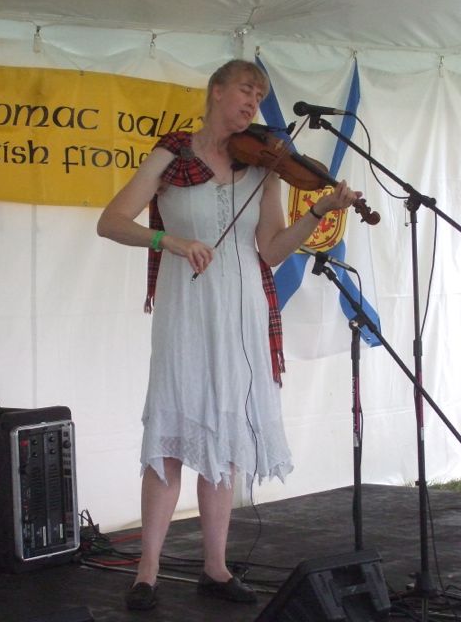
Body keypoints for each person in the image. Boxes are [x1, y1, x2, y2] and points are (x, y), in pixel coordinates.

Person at [97, 59, 358, 611]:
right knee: (170, 441)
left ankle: (214, 568)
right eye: (246, 90)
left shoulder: (262, 167)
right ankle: (147, 572)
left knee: (226, 436)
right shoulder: (172, 155)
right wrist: (168, 241)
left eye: (259, 96)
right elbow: (112, 221)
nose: (253, 103)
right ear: (216, 92)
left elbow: (271, 250)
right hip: (186, 311)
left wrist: (319, 210)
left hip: (242, 313)